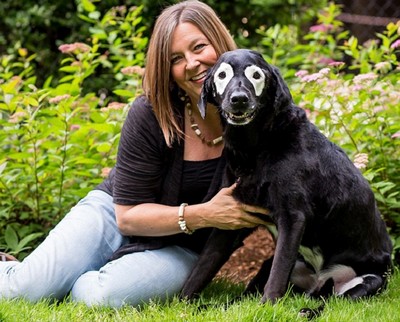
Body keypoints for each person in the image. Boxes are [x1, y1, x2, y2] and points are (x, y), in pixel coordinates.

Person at [0, 0, 269, 308]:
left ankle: (71, 276)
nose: (192, 63)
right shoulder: (152, 111)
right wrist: (206, 213)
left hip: (183, 249)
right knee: (26, 289)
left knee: (98, 297)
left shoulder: (261, 115)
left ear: (219, 43)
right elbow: (127, 217)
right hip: (114, 214)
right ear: (168, 71)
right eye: (176, 59)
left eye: (199, 47)